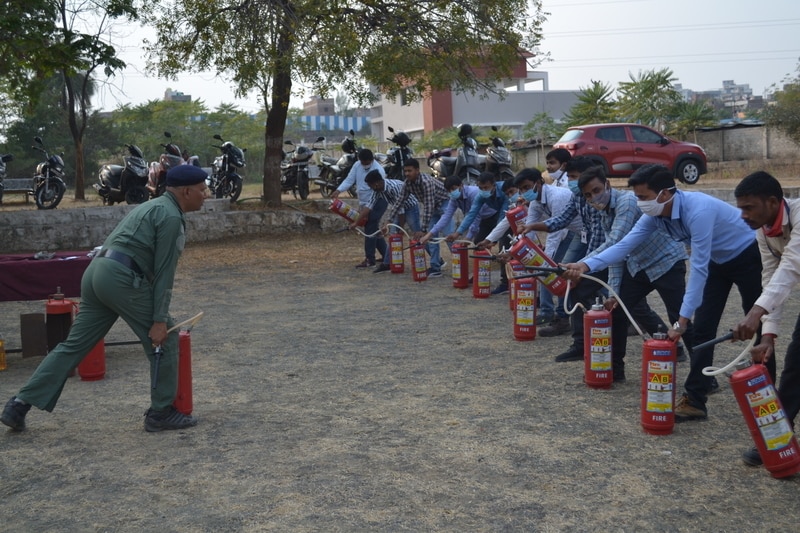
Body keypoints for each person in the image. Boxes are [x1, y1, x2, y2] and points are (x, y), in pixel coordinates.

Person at [1, 165, 210, 433]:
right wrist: (159, 320)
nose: (206, 194)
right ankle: (161, 412)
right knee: (165, 341)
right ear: (186, 191)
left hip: (97, 273)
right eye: (202, 190)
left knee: (73, 346)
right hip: (121, 278)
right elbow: (164, 273)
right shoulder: (170, 216)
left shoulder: (151, 206)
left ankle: (19, 404)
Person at [564, 164, 763, 420]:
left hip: (747, 255)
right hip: (718, 261)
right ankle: (696, 401)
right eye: (637, 197)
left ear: (665, 194)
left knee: (758, 326)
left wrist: (682, 319)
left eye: (643, 197)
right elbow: (624, 245)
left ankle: (767, 393)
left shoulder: (698, 210)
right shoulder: (654, 214)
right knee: (702, 329)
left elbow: (699, 269)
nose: (639, 203)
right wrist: (585, 265)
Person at [562, 165, 690, 381]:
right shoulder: (604, 212)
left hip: (667, 261)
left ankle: (703, 378)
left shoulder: (627, 203)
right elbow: (616, 255)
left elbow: (616, 243)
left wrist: (582, 264)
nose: (594, 197)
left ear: (608, 185)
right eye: (588, 195)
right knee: (617, 310)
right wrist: (613, 292)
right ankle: (615, 370)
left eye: (596, 190)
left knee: (679, 318)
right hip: (640, 265)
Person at [731, 172, 799, 467]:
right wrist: (768, 335)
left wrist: (756, 313)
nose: (743, 215)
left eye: (749, 208)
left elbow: (792, 267)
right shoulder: (764, 232)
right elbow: (771, 278)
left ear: (773, 202)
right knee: (795, 365)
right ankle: (779, 437)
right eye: (741, 208)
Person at [478, 168, 581, 313]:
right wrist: (511, 252)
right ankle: (550, 312)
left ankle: (560, 314)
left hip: (576, 234)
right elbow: (527, 231)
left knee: (560, 272)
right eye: (521, 189)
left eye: (526, 187)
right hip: (574, 234)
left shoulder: (556, 196)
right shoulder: (535, 202)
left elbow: (555, 233)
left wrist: (546, 262)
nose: (524, 192)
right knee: (551, 271)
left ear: (538, 183)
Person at [384, 158, 451, 277]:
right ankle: (436, 268)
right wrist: (388, 221)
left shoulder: (426, 182)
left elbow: (429, 206)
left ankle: (460, 264)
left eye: (410, 171)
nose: (407, 174)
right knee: (431, 238)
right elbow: (399, 202)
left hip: (444, 204)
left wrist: (423, 230)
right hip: (433, 208)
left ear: (417, 170)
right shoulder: (407, 184)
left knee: (449, 235)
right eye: (405, 171)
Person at [332, 148, 386, 268]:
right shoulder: (357, 165)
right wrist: (338, 190)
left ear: (371, 160)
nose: (364, 165)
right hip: (364, 200)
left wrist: (360, 218)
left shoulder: (379, 170)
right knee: (373, 228)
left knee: (370, 227)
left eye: (367, 163)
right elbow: (350, 180)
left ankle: (369, 259)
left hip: (378, 201)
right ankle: (387, 255)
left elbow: (375, 195)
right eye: (362, 162)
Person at [363, 170, 421, 273]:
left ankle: (438, 261)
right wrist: (356, 222)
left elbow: (401, 209)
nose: (370, 187)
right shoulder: (378, 191)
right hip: (398, 210)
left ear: (376, 183)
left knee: (418, 235)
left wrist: (401, 229)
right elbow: (369, 205)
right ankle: (387, 263)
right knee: (393, 236)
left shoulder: (394, 188)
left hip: (410, 207)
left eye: (370, 185)